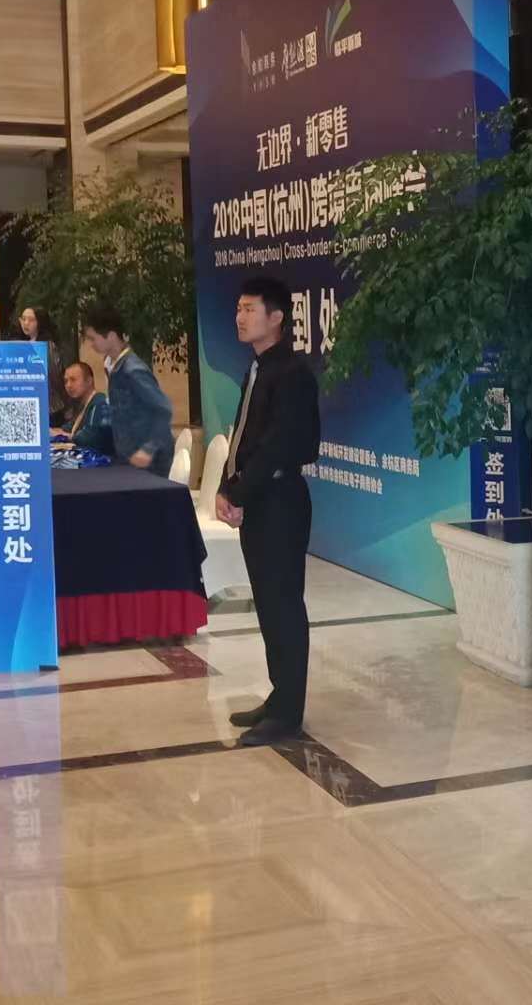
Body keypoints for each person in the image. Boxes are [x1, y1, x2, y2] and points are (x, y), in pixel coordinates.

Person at [217, 278, 321, 746]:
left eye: (249, 309)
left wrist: (239, 492)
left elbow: (280, 446)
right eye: (238, 309)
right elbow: (243, 437)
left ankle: (289, 713)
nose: (239, 317)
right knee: (268, 604)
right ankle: (279, 698)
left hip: (280, 501)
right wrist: (227, 487)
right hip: (259, 498)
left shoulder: (292, 374)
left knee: (284, 606)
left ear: (276, 317)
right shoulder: (258, 368)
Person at [80, 305, 174, 475]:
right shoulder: (112, 366)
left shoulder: (133, 370)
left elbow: (163, 409)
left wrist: (148, 449)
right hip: (128, 457)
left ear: (111, 336)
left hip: (149, 463)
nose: (91, 344)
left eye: (93, 339)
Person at [50, 360, 113, 454]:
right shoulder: (81, 406)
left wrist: (63, 436)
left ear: (89, 381)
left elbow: (90, 438)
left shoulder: (99, 403)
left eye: (73, 380)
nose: (68, 385)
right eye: (66, 381)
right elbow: (68, 428)